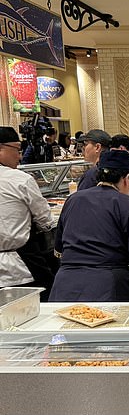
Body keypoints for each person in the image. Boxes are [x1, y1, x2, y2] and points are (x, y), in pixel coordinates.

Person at [49, 150, 129, 301]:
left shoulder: (73, 200)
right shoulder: (128, 204)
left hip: (65, 285)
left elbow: (59, 250)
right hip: (107, 286)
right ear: (126, 179)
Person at [0, 127, 56, 299]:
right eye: (17, 149)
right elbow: (45, 220)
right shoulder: (20, 179)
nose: (20, 156)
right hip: (20, 267)